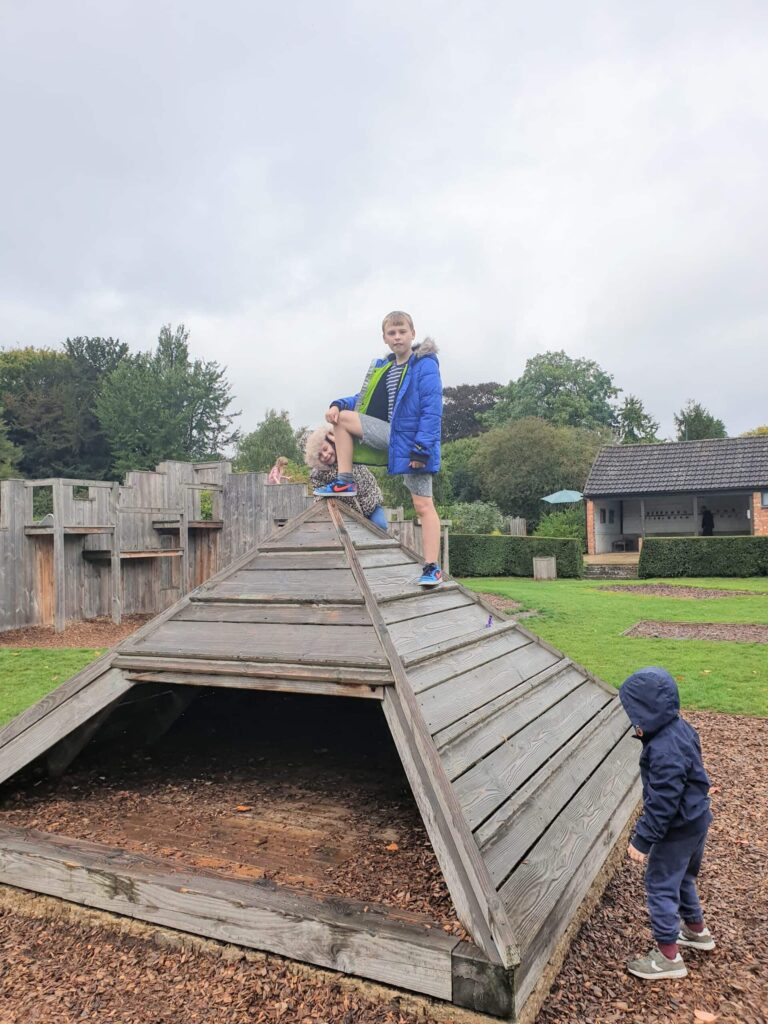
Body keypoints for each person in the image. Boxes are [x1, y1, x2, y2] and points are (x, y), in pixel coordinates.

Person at [312, 310, 443, 587]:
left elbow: (432, 409)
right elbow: (363, 399)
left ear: (412, 334)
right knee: (342, 418)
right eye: (392, 333)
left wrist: (422, 448)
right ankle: (344, 481)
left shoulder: (424, 364)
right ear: (384, 337)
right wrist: (338, 403)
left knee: (422, 505)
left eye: (402, 331)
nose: (397, 337)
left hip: (415, 444)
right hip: (390, 435)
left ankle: (432, 567)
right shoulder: (384, 368)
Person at [619, 667, 715, 981]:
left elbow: (664, 801)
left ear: (646, 713)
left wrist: (642, 839)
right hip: (696, 819)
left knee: (660, 884)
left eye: (635, 714)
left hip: (676, 828)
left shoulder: (662, 750)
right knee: (684, 876)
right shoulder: (681, 728)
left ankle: (667, 957)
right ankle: (697, 930)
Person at [304, 426, 388, 531]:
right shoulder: (318, 474)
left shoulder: (347, 454)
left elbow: (353, 439)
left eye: (325, 449)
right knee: (354, 536)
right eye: (320, 455)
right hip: (348, 512)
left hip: (370, 503)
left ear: (332, 444)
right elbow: (318, 495)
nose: (325, 455)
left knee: (381, 526)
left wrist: (338, 439)